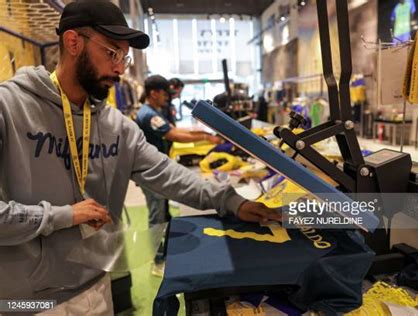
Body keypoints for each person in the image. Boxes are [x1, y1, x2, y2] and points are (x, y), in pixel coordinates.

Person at [0, 1, 281, 314]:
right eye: (111, 53)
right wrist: (63, 215)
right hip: (28, 302)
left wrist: (232, 201)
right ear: (73, 41)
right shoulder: (8, 109)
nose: (120, 68)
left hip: (96, 286)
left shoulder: (117, 127)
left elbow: (170, 174)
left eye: (124, 57)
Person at [135, 75, 221, 276]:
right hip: (151, 174)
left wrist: (203, 134)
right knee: (157, 216)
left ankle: (164, 252)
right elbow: (174, 135)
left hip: (157, 170)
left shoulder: (154, 112)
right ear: (154, 93)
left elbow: (175, 130)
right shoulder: (149, 115)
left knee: (164, 213)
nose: (168, 97)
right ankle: (156, 262)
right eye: (165, 93)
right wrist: (207, 137)